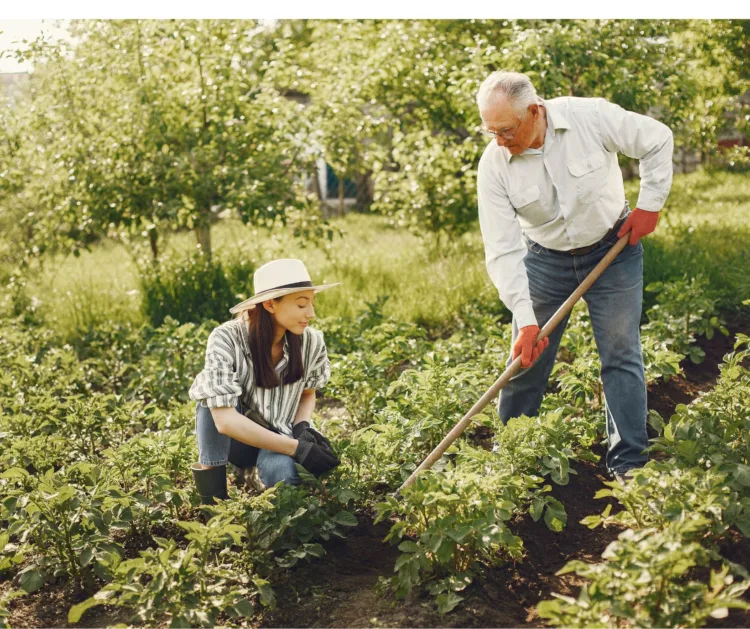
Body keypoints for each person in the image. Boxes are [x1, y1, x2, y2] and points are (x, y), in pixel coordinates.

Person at [475, 70, 674, 481]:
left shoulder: (589, 117)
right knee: (526, 358)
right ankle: (511, 458)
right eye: (490, 131)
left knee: (620, 354)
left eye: (506, 130)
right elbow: (503, 248)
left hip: (612, 248)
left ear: (535, 111)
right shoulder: (494, 165)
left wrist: (650, 205)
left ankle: (629, 464)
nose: (499, 141)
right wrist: (526, 321)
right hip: (544, 260)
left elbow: (657, 138)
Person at [189, 258, 341, 504]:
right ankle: (212, 503)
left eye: (312, 303)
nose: (311, 313)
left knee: (284, 475)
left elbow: (307, 392)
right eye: (302, 304)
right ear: (270, 304)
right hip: (237, 441)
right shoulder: (227, 338)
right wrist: (297, 449)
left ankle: (253, 476)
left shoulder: (311, 342)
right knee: (209, 402)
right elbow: (224, 421)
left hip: (280, 435)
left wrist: (302, 427)